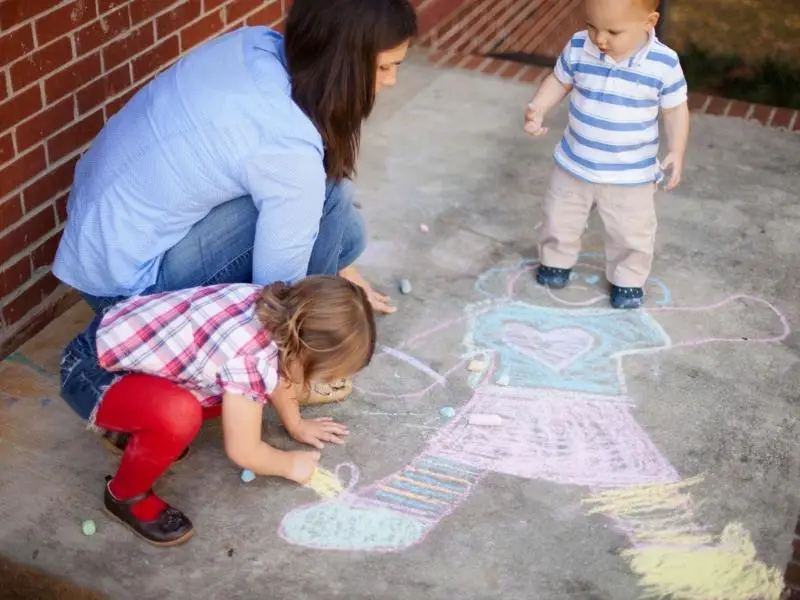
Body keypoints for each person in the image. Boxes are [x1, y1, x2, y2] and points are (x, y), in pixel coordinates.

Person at [52, 0, 417, 400]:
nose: (393, 81)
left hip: (98, 250)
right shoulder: (288, 145)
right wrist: (306, 338)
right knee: (327, 195)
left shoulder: (252, 44)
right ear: (340, 62)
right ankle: (298, 366)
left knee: (341, 225)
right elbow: (277, 292)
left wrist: (337, 262)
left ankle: (332, 269)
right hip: (131, 294)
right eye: (384, 67)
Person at [60, 275, 376, 547]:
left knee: (229, 403)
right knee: (180, 417)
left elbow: (279, 374)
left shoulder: (269, 308)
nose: (326, 382)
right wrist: (288, 463)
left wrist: (295, 424)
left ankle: (133, 431)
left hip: (124, 360)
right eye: (324, 374)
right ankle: (125, 495)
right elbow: (244, 450)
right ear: (303, 351)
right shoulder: (248, 359)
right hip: (90, 375)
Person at [523, 0, 690, 309]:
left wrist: (676, 151)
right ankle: (555, 261)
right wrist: (539, 107)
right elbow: (559, 81)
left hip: (631, 176)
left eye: (613, 31)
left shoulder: (663, 63)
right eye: (592, 26)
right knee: (558, 219)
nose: (599, 39)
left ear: (649, 21)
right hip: (574, 163)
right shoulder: (578, 46)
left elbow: (676, 109)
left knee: (632, 233)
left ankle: (628, 279)